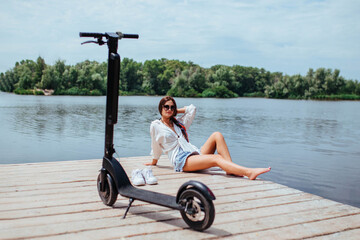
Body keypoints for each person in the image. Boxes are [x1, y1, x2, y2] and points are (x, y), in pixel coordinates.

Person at [145, 96, 271, 180]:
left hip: (193, 154)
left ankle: (230, 168)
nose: (169, 109)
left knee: (217, 135)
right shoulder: (156, 126)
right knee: (216, 158)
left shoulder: (178, 123)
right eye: (166, 107)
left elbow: (192, 109)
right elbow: (155, 145)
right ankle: (249, 172)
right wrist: (154, 161)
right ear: (160, 108)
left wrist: (174, 112)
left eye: (172, 107)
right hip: (181, 160)